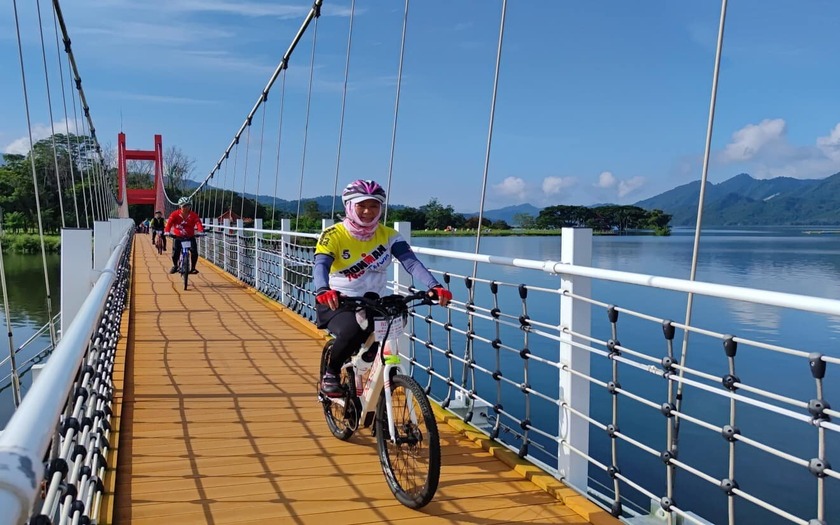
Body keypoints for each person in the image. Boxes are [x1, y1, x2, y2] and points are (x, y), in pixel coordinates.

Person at [314, 179, 452, 397]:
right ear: (349, 206)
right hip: (338, 301)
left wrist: (434, 286)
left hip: (374, 301)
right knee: (352, 330)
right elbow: (321, 264)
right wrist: (323, 289)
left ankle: (369, 359)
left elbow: (411, 262)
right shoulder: (333, 234)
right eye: (362, 205)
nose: (368, 211)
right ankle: (330, 374)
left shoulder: (389, 236)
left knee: (397, 315)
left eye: (374, 205)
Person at [165, 197, 204, 274]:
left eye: (188, 206)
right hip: (178, 236)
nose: (186, 208)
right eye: (184, 206)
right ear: (180, 206)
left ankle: (193, 268)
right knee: (175, 252)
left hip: (190, 236)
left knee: (194, 252)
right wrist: (167, 231)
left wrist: (201, 231)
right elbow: (169, 223)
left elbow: (198, 223)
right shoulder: (174, 214)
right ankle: (175, 266)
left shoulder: (193, 215)